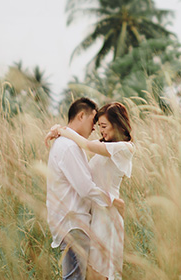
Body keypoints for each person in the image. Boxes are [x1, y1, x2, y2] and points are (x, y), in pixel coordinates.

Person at [47, 102, 134, 280]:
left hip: (107, 215)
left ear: (117, 124)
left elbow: (85, 144)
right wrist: (59, 129)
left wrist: (62, 130)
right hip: (95, 215)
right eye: (98, 126)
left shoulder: (124, 148)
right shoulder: (104, 145)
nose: (100, 131)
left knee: (101, 274)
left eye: (103, 126)